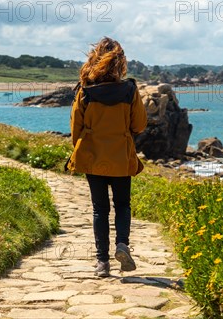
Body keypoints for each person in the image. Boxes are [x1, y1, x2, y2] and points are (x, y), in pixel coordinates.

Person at [67, 37, 148, 277]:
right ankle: (122, 244)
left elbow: (75, 128)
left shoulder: (85, 91)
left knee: (99, 209)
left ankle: (102, 263)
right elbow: (140, 124)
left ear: (94, 59)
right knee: (122, 205)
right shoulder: (130, 90)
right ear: (120, 63)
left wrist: (82, 150)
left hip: (93, 156)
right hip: (121, 156)